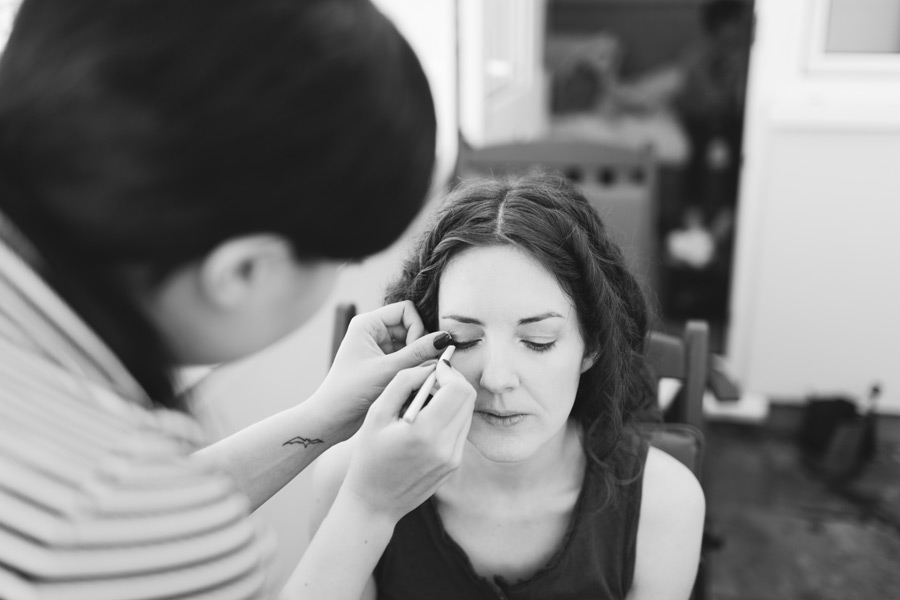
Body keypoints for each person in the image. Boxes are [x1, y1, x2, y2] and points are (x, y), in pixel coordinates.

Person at [0, 1, 476, 598]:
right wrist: (369, 507)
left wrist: (321, 417)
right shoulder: (116, 507)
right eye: (343, 261)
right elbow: (128, 520)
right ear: (245, 269)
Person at [312, 172, 705, 599]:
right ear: (423, 342)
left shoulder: (664, 504)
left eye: (538, 342)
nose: (496, 380)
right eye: (462, 340)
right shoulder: (351, 482)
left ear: (591, 346)